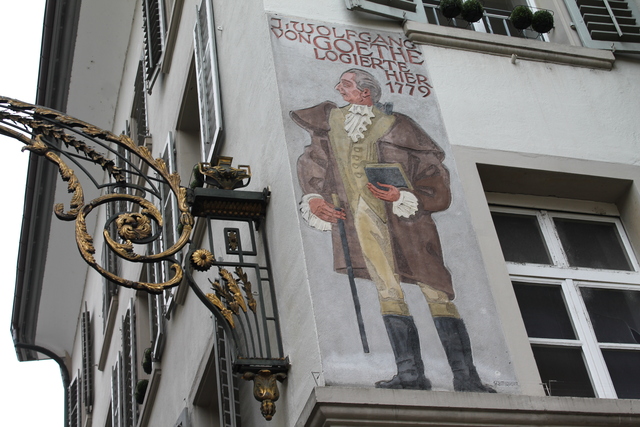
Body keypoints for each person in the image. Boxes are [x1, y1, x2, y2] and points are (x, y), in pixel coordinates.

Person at [292, 68, 495, 392]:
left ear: (365, 92)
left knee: (437, 292)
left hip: (409, 223)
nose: (338, 88)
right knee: (388, 291)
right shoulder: (329, 123)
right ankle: (411, 374)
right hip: (361, 220)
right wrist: (314, 197)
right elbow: (313, 162)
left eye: (345, 85)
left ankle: (466, 377)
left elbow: (434, 175)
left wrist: (404, 195)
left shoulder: (401, 127)